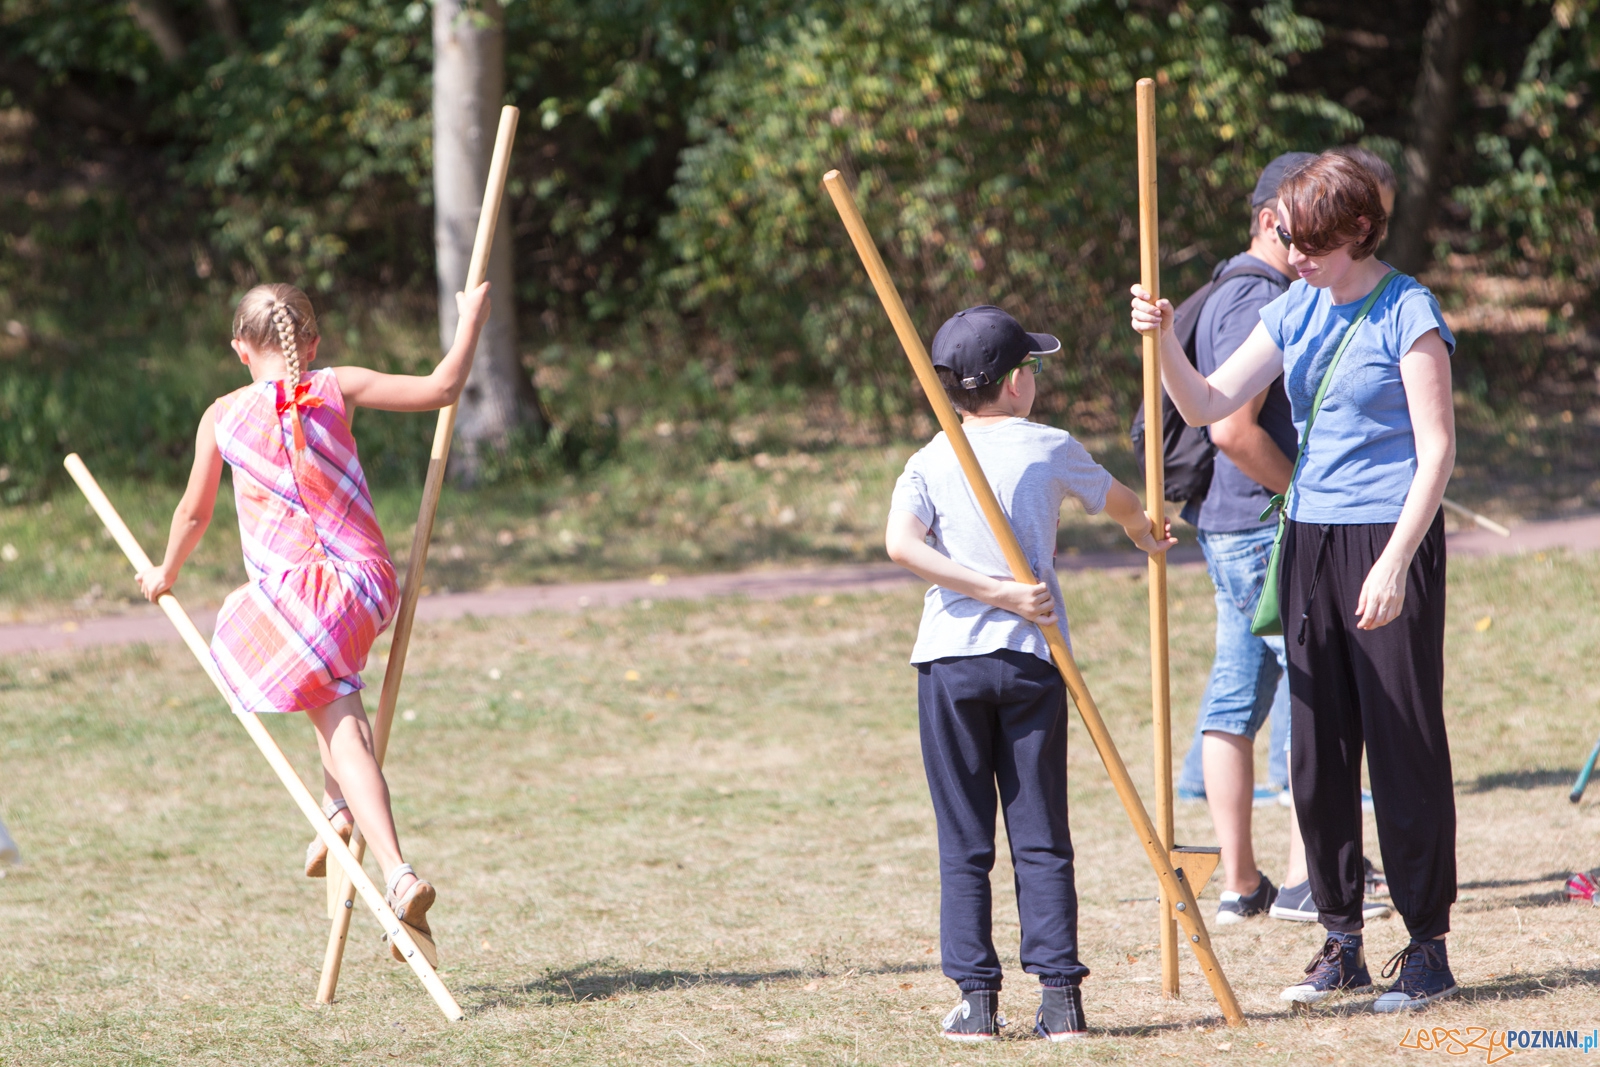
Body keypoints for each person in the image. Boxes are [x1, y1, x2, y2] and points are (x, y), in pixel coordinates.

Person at [1130, 151, 1459, 1012]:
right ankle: (1341, 941)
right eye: (1286, 238)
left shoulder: (1408, 311)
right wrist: (1162, 337)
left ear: (1359, 229)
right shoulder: (1299, 304)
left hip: (1391, 539)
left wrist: (1393, 562)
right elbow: (1206, 404)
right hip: (1305, 537)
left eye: (1309, 242)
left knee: (1404, 744)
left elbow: (1438, 453)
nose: (1295, 255)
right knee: (1315, 752)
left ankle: (1427, 947)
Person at [136, 281, 492, 967]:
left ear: (241, 348)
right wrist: (469, 318)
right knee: (324, 687)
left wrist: (164, 572)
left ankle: (397, 871)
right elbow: (444, 388)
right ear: (314, 341)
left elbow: (193, 513)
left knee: (337, 719)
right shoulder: (336, 384)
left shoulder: (222, 415)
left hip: (300, 605)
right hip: (366, 584)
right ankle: (335, 816)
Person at [885, 305, 1175, 1042]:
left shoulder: (931, 455)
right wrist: (1146, 531)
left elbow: (901, 545)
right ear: (1015, 384)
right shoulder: (1050, 447)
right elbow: (1123, 507)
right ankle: (1060, 1000)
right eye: (1033, 369)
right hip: (1030, 660)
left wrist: (980, 592)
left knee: (965, 840)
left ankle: (978, 1002)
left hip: (949, 662)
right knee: (1041, 833)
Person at [1168, 151, 1310, 926]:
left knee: (1237, 692)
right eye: (1305, 221)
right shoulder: (1254, 299)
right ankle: (1302, 877)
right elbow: (1230, 428)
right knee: (1308, 683)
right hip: (1259, 523)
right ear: (1268, 221)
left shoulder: (1248, 290)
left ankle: (1243, 883)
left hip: (1233, 525)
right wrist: (1301, 489)